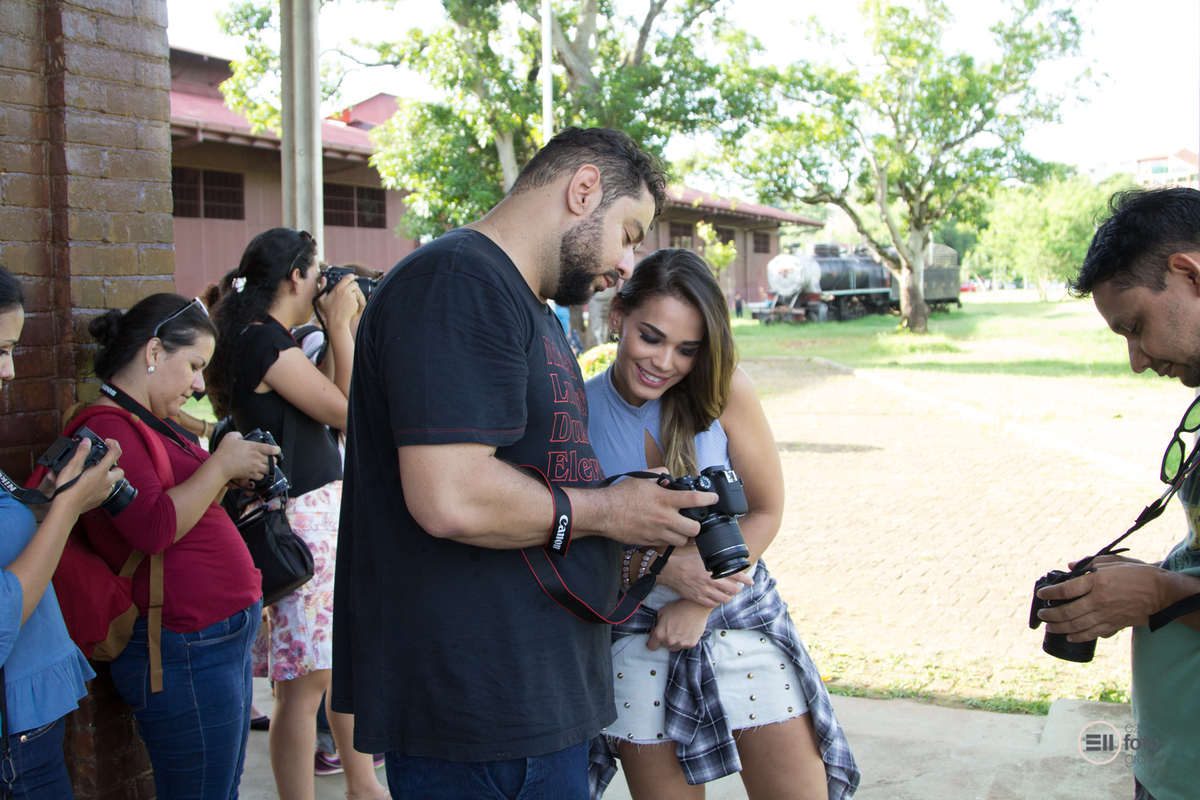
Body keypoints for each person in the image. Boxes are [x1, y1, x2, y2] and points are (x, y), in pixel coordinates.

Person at [333, 127, 722, 799]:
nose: (630, 265)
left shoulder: (523, 305)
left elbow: (536, 485)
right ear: (583, 190)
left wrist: (639, 529)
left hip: (530, 705)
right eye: (630, 233)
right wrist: (607, 509)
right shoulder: (458, 282)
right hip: (482, 715)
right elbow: (450, 495)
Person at [585, 249, 858, 799]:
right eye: (651, 337)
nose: (665, 362)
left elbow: (766, 510)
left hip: (739, 615)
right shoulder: (574, 408)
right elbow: (566, 536)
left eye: (688, 349)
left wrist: (699, 602)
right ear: (618, 316)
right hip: (639, 633)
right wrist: (664, 577)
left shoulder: (724, 389)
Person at [206, 228, 386, 800]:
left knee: (334, 671)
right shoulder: (263, 341)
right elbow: (347, 409)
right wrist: (337, 324)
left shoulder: (268, 336)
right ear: (293, 277)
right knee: (305, 685)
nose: (324, 280)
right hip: (301, 520)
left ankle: (362, 785)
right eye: (318, 270)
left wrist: (340, 333)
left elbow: (338, 395)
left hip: (316, 514)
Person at [75, 293, 278, 798]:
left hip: (209, 639)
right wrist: (222, 466)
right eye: (193, 365)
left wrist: (228, 479)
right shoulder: (103, 426)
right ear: (152, 352)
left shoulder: (144, 420)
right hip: (184, 647)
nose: (197, 385)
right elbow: (152, 526)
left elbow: (179, 507)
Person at [1039, 186, 1200, 800]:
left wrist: (1162, 591)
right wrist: (1142, 583)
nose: (1137, 360)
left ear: (1187, 274)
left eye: (1135, 327)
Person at [0, 265, 127, 798]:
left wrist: (50, 499)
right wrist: (68, 508)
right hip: (14, 742)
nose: (8, 371)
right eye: (0, 349)